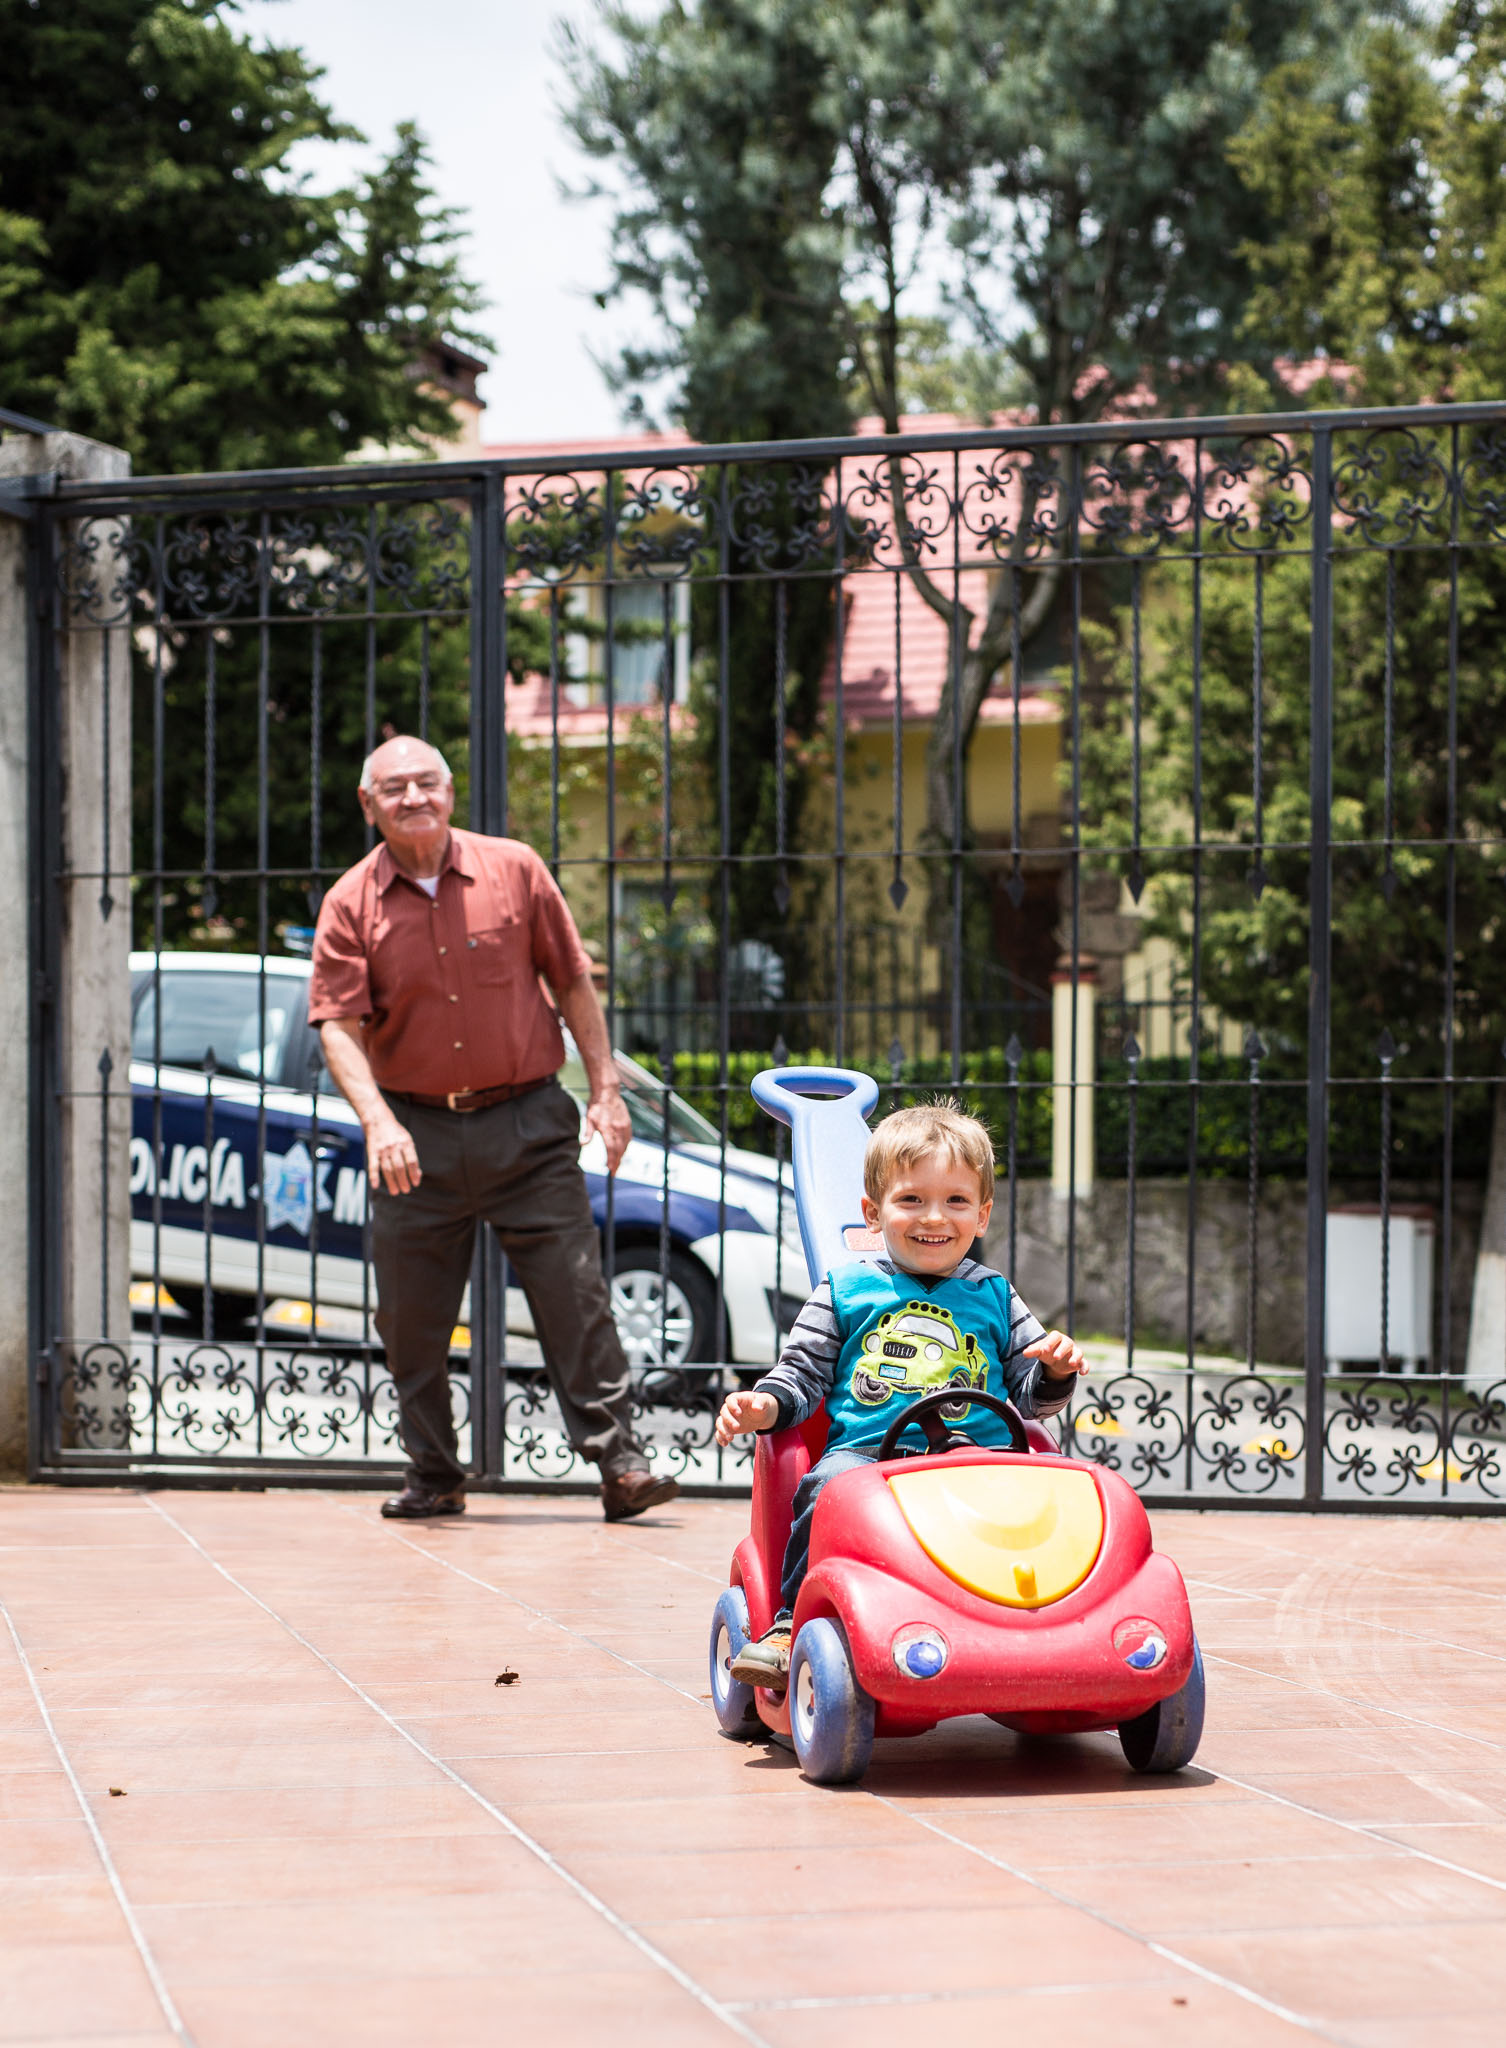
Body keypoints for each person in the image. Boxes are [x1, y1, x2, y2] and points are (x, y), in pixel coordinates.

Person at [309, 734, 678, 1524]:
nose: (414, 797)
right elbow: (337, 1024)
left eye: (427, 782)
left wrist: (607, 1091)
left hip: (527, 1125)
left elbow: (572, 982)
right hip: (414, 1138)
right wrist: (377, 1122)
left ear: (450, 792)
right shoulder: (350, 902)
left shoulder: (516, 869)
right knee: (409, 1322)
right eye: (394, 788)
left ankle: (621, 1465)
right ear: (368, 805)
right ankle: (434, 1474)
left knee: (577, 1298)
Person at [714, 1100, 1086, 1687]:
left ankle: (1055, 1622)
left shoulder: (995, 1294)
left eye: (956, 1200)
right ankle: (790, 1624)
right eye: (911, 1199)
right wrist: (764, 1405)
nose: (933, 1217)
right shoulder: (844, 1290)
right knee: (825, 1489)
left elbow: (1031, 1401)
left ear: (982, 1215)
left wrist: (1056, 1372)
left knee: (1057, 1500)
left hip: (985, 1462)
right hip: (869, 1460)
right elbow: (801, 1376)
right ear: (872, 1213)